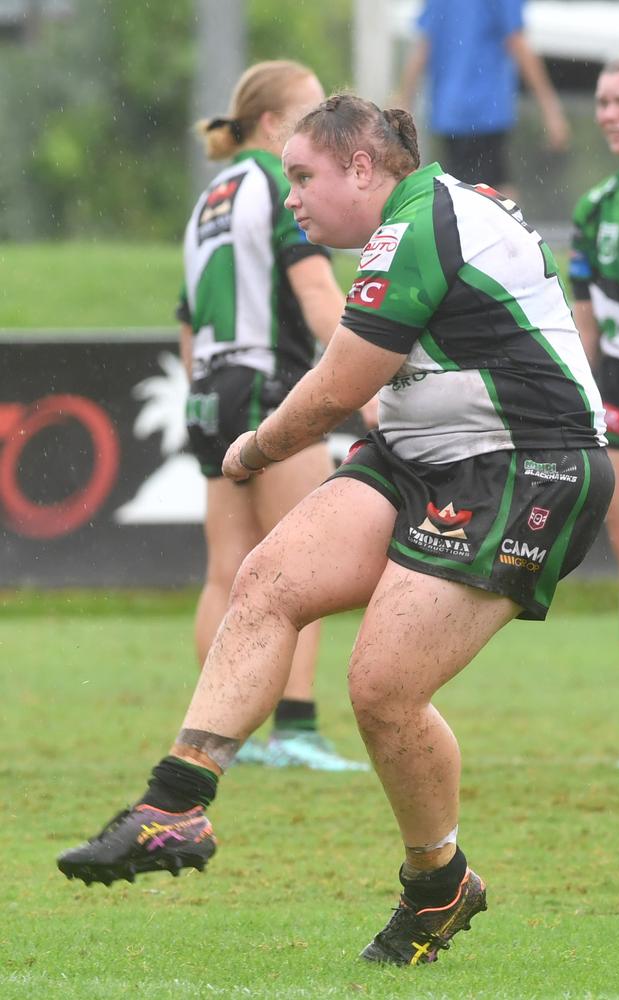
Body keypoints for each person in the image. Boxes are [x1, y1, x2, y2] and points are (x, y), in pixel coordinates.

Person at [58, 95, 613, 967]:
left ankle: (438, 887)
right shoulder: (421, 216)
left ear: (364, 167)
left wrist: (253, 446)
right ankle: (173, 806)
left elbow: (333, 385)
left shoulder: (418, 222)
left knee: (381, 687)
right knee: (268, 580)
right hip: (421, 451)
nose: (292, 199)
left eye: (304, 176)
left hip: (524, 465)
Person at [177, 60, 368, 772]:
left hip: (209, 387)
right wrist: (373, 372)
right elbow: (317, 293)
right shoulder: (283, 186)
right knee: (302, 566)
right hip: (271, 382)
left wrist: (202, 389)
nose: (325, 126)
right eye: (312, 112)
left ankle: (221, 737)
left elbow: (188, 319)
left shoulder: (210, 198)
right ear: (271, 124)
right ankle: (294, 729)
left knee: (226, 568)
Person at [569, 53, 619, 769]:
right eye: (600, 102)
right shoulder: (597, 209)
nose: (608, 115)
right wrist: (577, 396)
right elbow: (584, 325)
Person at [396, 0, 570, 194]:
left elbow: (423, 46)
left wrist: (403, 102)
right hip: (486, 110)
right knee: (497, 194)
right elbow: (517, 42)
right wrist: (550, 108)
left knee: (458, 195)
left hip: (448, 112)